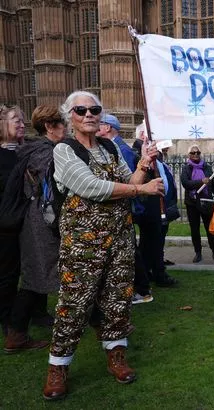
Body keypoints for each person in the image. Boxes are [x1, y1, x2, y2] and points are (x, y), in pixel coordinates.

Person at [42, 91, 164, 401]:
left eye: (94, 109)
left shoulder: (109, 147)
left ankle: (117, 356)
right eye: (81, 110)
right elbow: (91, 188)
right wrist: (141, 188)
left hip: (120, 240)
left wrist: (145, 164)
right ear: (70, 116)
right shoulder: (63, 151)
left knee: (117, 299)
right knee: (74, 305)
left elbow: (129, 178)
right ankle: (58, 367)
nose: (89, 115)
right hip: (83, 245)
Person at [4, 105, 66, 353]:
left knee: (37, 277)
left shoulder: (38, 149)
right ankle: (16, 334)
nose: (66, 129)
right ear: (50, 127)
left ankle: (19, 331)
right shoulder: (43, 153)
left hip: (39, 221)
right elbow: (56, 184)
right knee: (33, 280)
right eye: (62, 124)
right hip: (39, 223)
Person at [97, 115, 157, 302]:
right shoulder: (106, 147)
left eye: (100, 123)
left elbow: (128, 181)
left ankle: (141, 289)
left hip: (123, 207)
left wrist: (144, 167)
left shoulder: (119, 148)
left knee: (130, 250)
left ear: (107, 127)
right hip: (114, 209)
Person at [132, 126, 179, 286]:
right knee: (150, 244)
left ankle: (152, 271)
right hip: (149, 210)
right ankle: (155, 274)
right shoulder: (139, 156)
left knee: (155, 242)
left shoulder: (158, 160)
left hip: (162, 208)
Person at [0, 105, 25, 338]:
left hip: (23, 223)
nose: (21, 124)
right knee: (7, 275)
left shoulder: (22, 152)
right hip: (5, 226)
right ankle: (7, 322)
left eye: (22, 121)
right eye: (15, 120)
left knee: (23, 271)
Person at [180, 144, 214, 263]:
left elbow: (212, 183)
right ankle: (198, 253)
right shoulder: (186, 168)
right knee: (195, 229)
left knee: (210, 228)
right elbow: (186, 183)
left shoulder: (207, 167)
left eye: (198, 153)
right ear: (189, 155)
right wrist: (200, 182)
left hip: (206, 202)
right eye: (193, 153)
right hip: (192, 203)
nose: (195, 155)